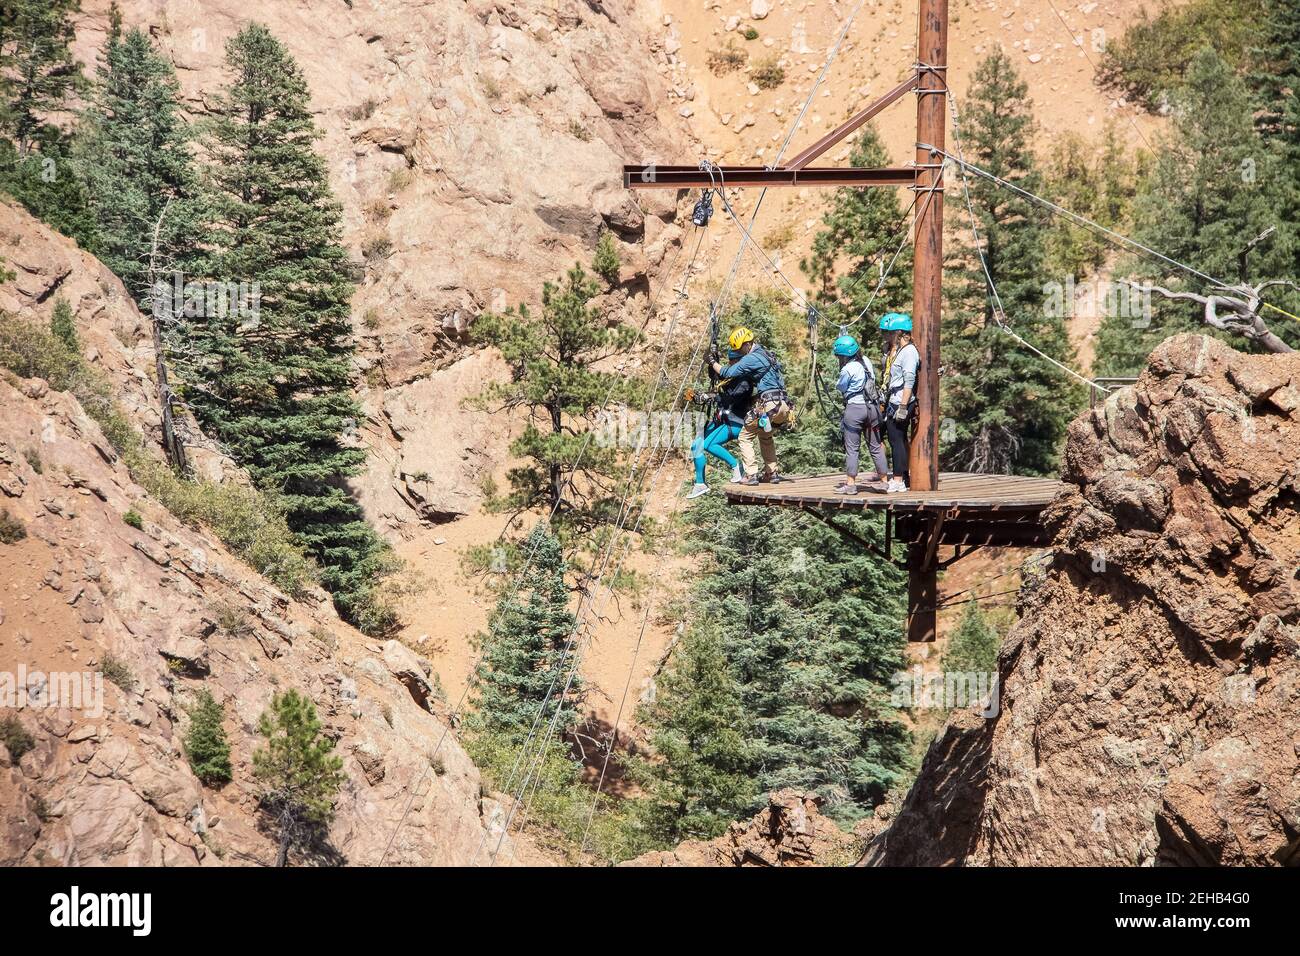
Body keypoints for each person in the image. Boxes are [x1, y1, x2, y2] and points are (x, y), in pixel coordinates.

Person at [713, 326, 790, 485]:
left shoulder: (752, 357)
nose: (740, 353)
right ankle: (772, 473)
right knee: (765, 435)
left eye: (740, 348)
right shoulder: (767, 354)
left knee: (745, 436)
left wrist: (712, 362)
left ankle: (751, 474)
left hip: (769, 404)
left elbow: (728, 372)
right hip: (783, 405)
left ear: (747, 344)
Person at [686, 349, 751, 499]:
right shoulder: (731, 377)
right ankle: (700, 483)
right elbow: (716, 376)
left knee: (708, 444)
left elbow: (729, 398)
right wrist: (712, 361)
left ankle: (737, 467)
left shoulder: (745, 381)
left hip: (736, 422)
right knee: (696, 446)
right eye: (729, 362)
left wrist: (712, 397)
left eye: (732, 362)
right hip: (723, 420)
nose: (730, 364)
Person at [831, 333, 888, 495]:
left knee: (852, 448)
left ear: (843, 355)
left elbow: (841, 387)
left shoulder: (847, 369)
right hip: (872, 409)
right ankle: (884, 481)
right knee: (876, 446)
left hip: (855, 409)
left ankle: (850, 484)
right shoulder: (867, 362)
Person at [879, 312, 919, 493]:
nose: (886, 336)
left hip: (901, 400)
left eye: (889, 333)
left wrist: (903, 406)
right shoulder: (898, 351)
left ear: (899, 333)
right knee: (898, 439)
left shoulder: (909, 351)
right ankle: (902, 475)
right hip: (894, 399)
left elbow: (909, 380)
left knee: (897, 441)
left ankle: (898, 480)